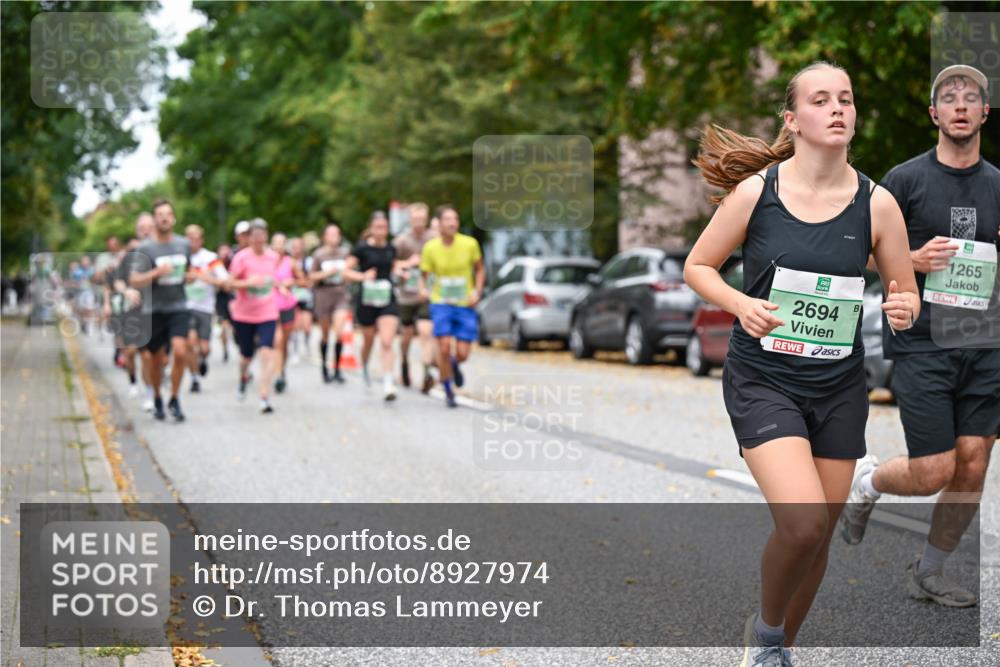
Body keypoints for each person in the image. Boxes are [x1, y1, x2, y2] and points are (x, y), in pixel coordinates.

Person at [683, 62, 919, 665]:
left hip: (839, 386)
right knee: (805, 524)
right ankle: (763, 634)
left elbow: (903, 289)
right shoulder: (757, 192)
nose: (838, 108)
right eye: (821, 100)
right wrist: (742, 305)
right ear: (794, 119)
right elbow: (698, 266)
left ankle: (780, 651)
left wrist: (904, 307)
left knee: (817, 544)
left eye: (846, 98)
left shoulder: (878, 204)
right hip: (764, 379)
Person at [840, 64, 999, 608]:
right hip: (921, 341)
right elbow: (851, 250)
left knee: (973, 461)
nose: (960, 104)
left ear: (983, 113)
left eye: (970, 97)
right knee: (936, 469)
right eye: (949, 98)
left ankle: (928, 571)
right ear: (935, 114)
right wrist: (908, 258)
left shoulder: (999, 185)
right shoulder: (903, 181)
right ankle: (867, 484)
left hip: (986, 343)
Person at [128, 200, 193, 422]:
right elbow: (135, 279)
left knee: (181, 351)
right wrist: (155, 273)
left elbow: (188, 271)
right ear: (155, 219)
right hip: (154, 310)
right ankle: (157, 396)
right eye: (160, 214)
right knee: (156, 360)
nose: (164, 218)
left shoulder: (183, 244)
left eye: (168, 214)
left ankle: (174, 398)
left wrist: (189, 276)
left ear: (173, 218)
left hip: (179, 307)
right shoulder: (145, 248)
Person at [419, 206, 486, 408]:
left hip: (464, 303)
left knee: (463, 353)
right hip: (441, 303)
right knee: (444, 346)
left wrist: (477, 291)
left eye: (455, 219)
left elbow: (480, 269)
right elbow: (424, 276)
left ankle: (454, 366)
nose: (452, 223)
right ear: (438, 224)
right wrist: (424, 290)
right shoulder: (430, 248)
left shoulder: (469, 244)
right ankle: (448, 390)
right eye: (447, 219)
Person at [345, 211, 402, 401]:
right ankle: (365, 364)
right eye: (377, 227)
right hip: (367, 300)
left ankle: (388, 382)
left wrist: (401, 273)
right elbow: (345, 271)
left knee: (387, 341)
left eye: (384, 227)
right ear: (371, 228)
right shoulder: (361, 249)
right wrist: (362, 277)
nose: (381, 231)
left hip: (387, 299)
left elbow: (392, 267)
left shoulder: (391, 248)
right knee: (368, 340)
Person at [226, 218, 280, 413]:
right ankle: (243, 376)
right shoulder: (241, 258)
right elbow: (229, 283)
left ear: (266, 236)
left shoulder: (273, 257)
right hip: (244, 314)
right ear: (249, 238)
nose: (258, 240)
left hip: (267, 312)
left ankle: (264, 396)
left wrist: (281, 287)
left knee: (267, 353)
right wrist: (248, 283)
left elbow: (274, 280)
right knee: (246, 355)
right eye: (254, 237)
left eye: (261, 236)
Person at [394, 202, 439, 392]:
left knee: (426, 332)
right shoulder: (402, 240)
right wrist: (406, 264)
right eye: (415, 218)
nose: (419, 222)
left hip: (427, 293)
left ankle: (427, 372)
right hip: (406, 295)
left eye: (422, 218)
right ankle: (404, 360)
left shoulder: (434, 238)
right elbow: (391, 263)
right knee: (407, 335)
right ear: (410, 219)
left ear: (427, 219)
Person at [184, 225, 228, 393]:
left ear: (201, 240)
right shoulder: (182, 257)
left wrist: (204, 277)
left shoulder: (210, 258)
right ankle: (194, 377)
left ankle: (202, 359)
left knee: (204, 348)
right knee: (190, 343)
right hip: (187, 307)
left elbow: (224, 281)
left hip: (206, 308)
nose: (192, 241)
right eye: (189, 237)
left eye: (196, 238)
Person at [308, 223, 353, 383]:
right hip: (323, 294)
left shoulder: (345, 253)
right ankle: (325, 368)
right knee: (325, 333)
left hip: (340, 293)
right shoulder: (319, 255)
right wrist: (327, 273)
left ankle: (338, 368)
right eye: (331, 234)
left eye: (337, 234)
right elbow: (311, 276)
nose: (334, 237)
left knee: (339, 331)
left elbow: (351, 271)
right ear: (325, 237)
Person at [270, 232, 302, 393]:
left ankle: (282, 370)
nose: (278, 246)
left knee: (284, 343)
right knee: (277, 340)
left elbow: (304, 281)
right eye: (276, 242)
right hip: (270, 306)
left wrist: (293, 281)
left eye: (282, 243)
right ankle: (277, 376)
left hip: (287, 305)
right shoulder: (266, 261)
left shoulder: (292, 263)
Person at [288, 236, 314, 365]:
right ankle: (295, 351)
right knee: (295, 325)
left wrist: (301, 282)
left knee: (307, 325)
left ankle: (307, 344)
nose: (296, 249)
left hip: (305, 296)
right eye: (294, 247)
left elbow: (310, 280)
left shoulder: (308, 262)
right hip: (292, 297)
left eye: (298, 247)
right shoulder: (287, 262)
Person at [214, 243, 235, 363]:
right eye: (222, 250)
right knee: (223, 325)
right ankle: (225, 349)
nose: (224, 252)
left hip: (232, 297)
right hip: (220, 297)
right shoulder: (215, 263)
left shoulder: (233, 262)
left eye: (226, 250)